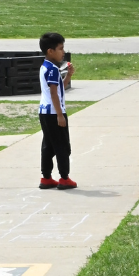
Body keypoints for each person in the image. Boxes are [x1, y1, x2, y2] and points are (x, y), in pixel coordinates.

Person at [38, 31, 76, 189]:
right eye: (60, 48)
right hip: (54, 113)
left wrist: (68, 76)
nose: (63, 52)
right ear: (50, 51)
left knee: (48, 144)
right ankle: (64, 177)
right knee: (62, 146)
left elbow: (58, 89)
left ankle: (46, 177)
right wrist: (60, 115)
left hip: (45, 112)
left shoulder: (46, 66)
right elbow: (54, 93)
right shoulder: (53, 69)